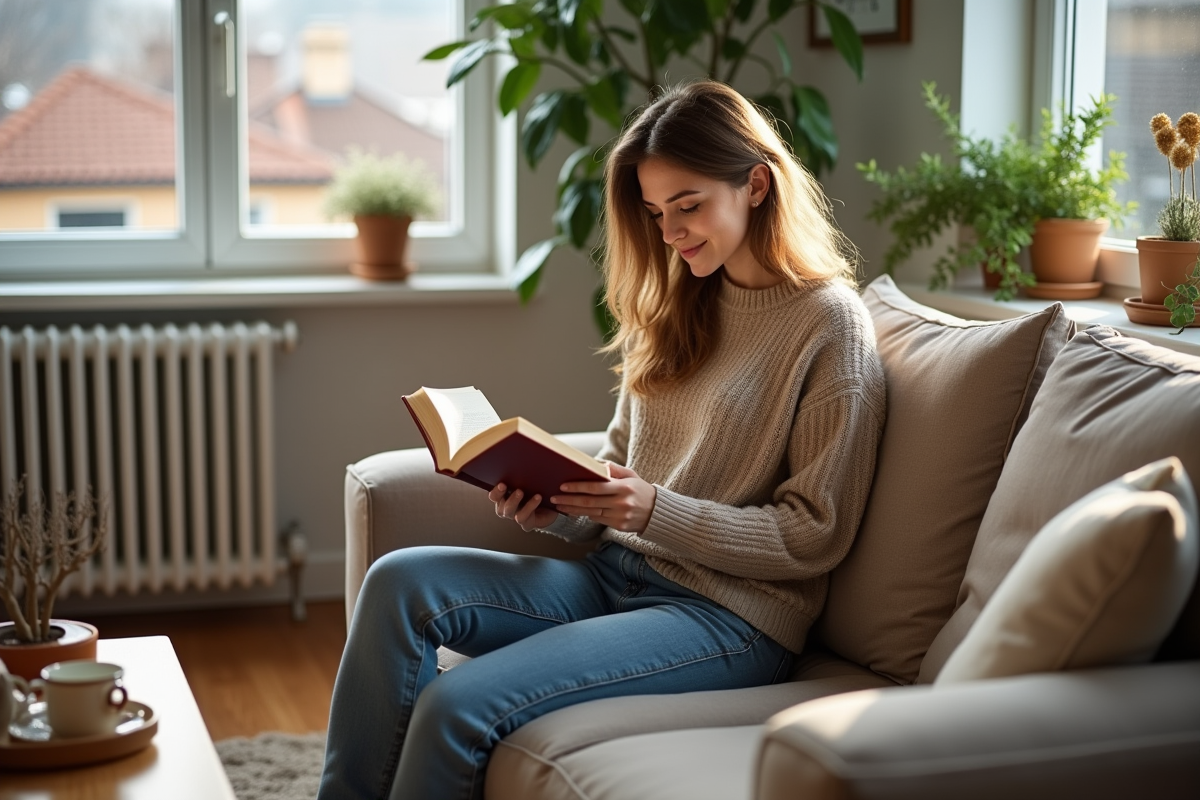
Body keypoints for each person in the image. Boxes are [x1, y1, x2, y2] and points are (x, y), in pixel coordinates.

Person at [318, 80, 886, 800]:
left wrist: (653, 511)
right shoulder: (679, 301)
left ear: (755, 185)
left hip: (727, 617)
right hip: (615, 576)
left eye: (688, 206)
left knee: (457, 704)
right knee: (398, 582)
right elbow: (618, 468)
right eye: (656, 212)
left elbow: (815, 535)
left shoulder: (830, 324)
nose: (671, 232)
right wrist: (557, 505)